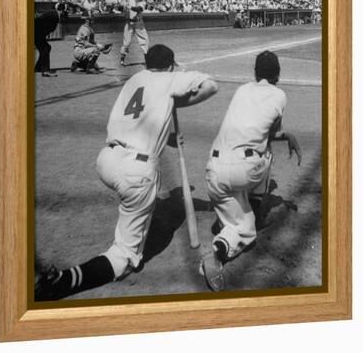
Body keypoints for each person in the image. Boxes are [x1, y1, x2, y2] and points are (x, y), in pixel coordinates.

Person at [35, 44, 218, 300]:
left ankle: (132, 203)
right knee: (125, 257)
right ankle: (65, 280)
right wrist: (179, 93)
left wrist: (167, 128)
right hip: (136, 170)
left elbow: (140, 117)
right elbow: (211, 85)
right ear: (170, 64)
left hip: (107, 161)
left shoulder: (134, 79)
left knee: (137, 189)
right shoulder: (172, 77)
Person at [201, 50, 301, 289]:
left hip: (213, 171)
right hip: (244, 171)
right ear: (278, 74)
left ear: (255, 73)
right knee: (246, 231)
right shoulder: (279, 94)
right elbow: (269, 136)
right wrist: (288, 135)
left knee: (237, 211)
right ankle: (217, 252)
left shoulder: (242, 90)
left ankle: (246, 210)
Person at [120, 0, 149, 66]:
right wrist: (123, 5)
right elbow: (121, 9)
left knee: (144, 41)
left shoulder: (142, 2)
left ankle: (147, 60)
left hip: (139, 24)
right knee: (127, 42)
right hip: (129, 23)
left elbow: (139, 9)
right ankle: (122, 60)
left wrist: (131, 7)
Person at [34, 6, 62, 77]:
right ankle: (45, 70)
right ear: (60, 11)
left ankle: (38, 68)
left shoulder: (53, 14)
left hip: (37, 33)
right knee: (45, 48)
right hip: (36, 33)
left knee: (46, 48)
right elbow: (39, 21)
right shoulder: (53, 14)